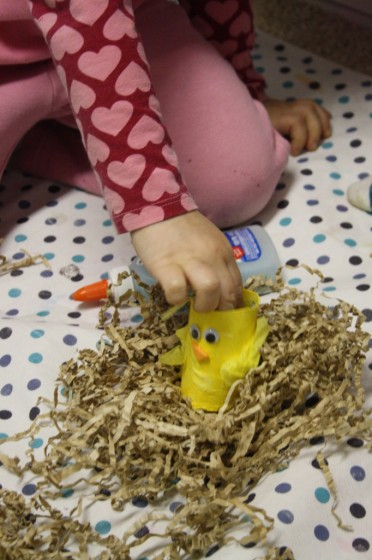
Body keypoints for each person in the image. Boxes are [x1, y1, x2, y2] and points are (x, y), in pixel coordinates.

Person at [0, 0, 332, 312]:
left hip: (133, 34)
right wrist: (151, 200)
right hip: (8, 60)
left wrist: (244, 81)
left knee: (234, 182)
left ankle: (40, 141)